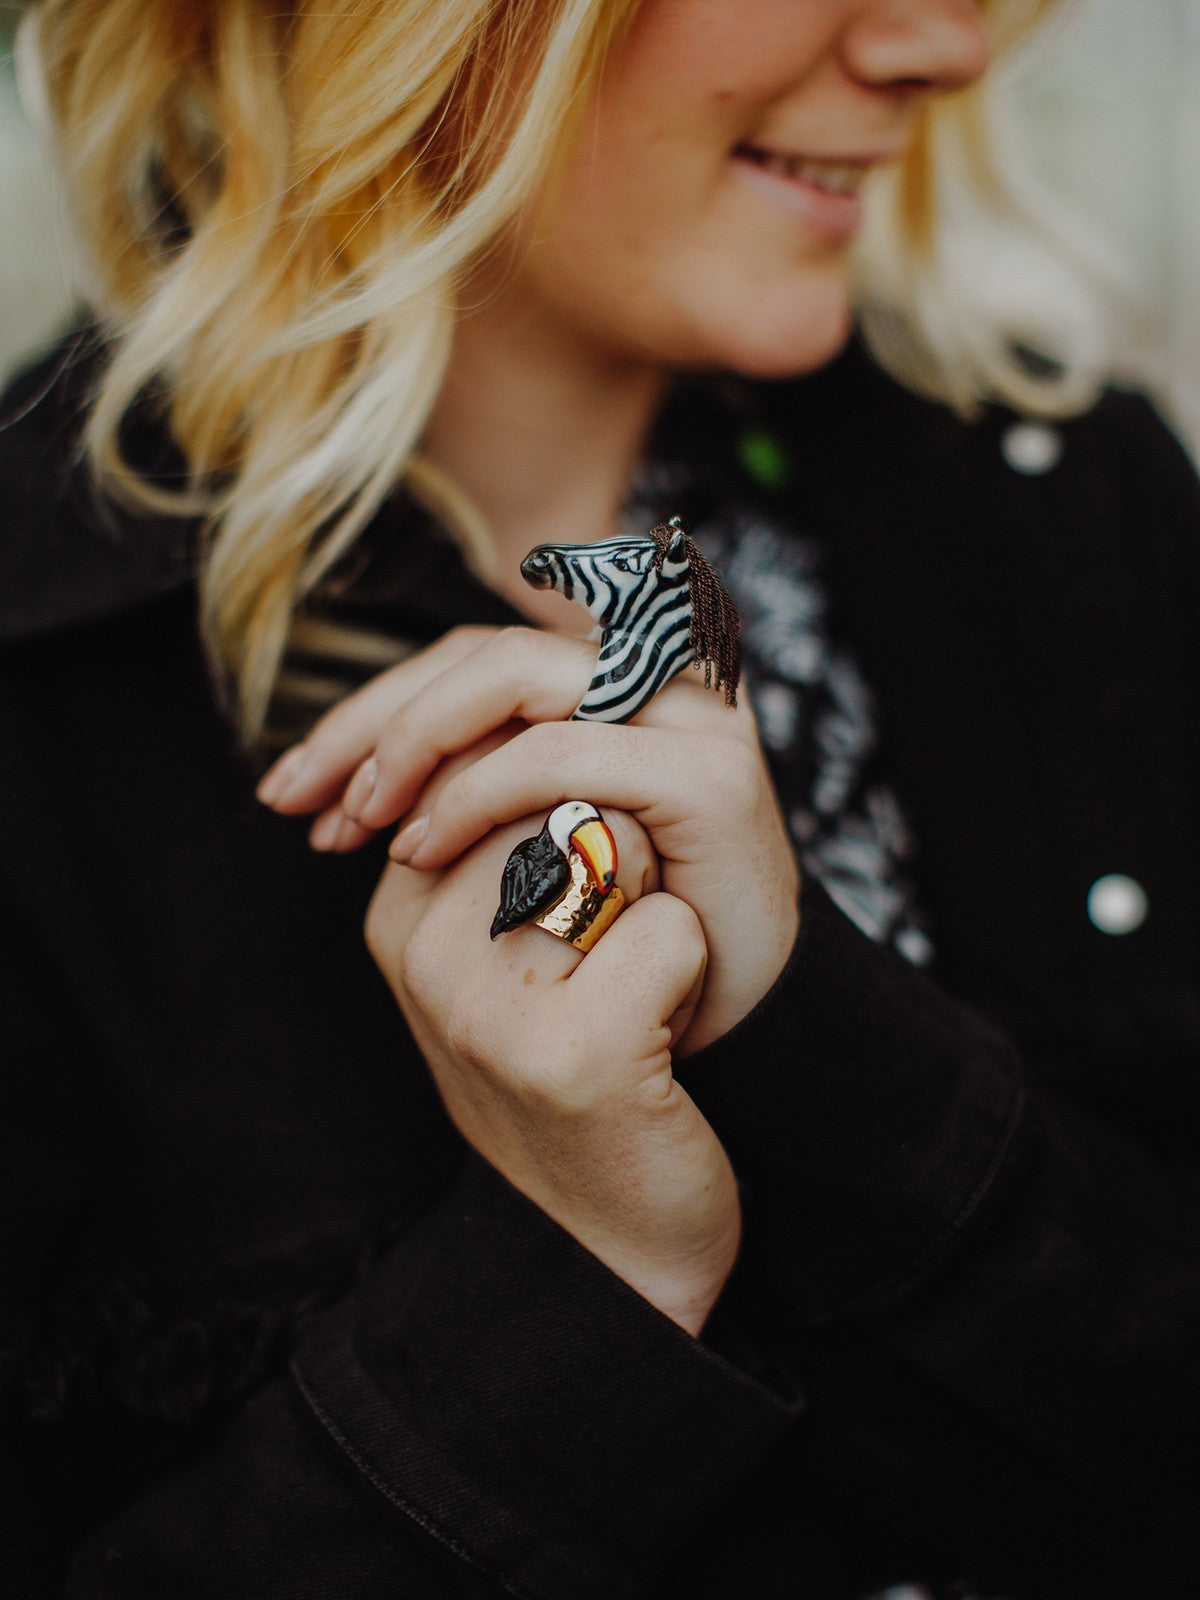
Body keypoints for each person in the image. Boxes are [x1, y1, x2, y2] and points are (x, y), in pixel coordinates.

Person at [2, 0, 1198, 1595]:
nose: (948, 44)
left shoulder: (1073, 504)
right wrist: (577, 1292)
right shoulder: (44, 709)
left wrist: (815, 1042)